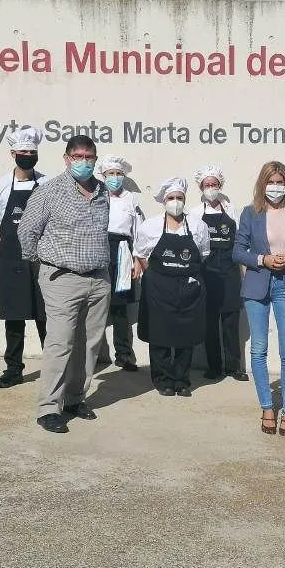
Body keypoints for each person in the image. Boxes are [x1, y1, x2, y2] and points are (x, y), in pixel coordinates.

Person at [18, 135, 110, 434]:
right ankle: (49, 408)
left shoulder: (102, 191)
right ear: (66, 158)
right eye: (78, 156)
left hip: (98, 279)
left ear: (95, 159)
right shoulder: (49, 191)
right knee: (60, 342)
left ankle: (74, 398)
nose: (84, 162)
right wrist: (45, 265)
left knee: (89, 344)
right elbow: (27, 230)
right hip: (61, 278)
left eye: (89, 157)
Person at [233, 162, 285, 438]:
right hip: (257, 285)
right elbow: (238, 250)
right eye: (271, 182)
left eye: (280, 181)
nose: (276, 187)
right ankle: (267, 407)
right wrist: (262, 259)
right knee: (258, 349)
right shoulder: (250, 213)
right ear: (262, 184)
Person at [0, 126, 50, 388]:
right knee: (14, 316)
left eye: (32, 152)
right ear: (13, 153)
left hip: (43, 259)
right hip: (11, 260)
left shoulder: (47, 184)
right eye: (23, 151)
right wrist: (14, 245)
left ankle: (54, 369)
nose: (28, 155)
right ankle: (14, 369)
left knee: (46, 317)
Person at [134, 177, 210, 397]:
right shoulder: (151, 226)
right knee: (160, 335)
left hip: (189, 289)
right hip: (159, 290)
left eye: (179, 198)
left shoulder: (198, 225)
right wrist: (160, 276)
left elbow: (203, 254)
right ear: (163, 200)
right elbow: (141, 254)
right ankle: (163, 379)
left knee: (186, 336)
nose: (175, 202)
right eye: (171, 198)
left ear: (185, 199)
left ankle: (182, 379)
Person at [188, 165, 248, 382]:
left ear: (220, 186)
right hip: (207, 272)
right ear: (201, 188)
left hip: (230, 272)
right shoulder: (194, 213)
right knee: (210, 322)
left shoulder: (231, 210)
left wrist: (245, 273)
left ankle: (234, 367)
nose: (211, 188)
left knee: (231, 322)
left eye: (214, 184)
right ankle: (214, 367)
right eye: (207, 185)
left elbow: (241, 242)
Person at [97, 155, 143, 372]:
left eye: (118, 174)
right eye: (110, 174)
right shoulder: (96, 195)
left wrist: (137, 259)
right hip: (98, 248)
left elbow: (138, 232)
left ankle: (124, 355)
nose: (114, 178)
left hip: (123, 250)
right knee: (95, 304)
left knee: (120, 307)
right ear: (103, 176)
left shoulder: (131, 200)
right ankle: (94, 353)